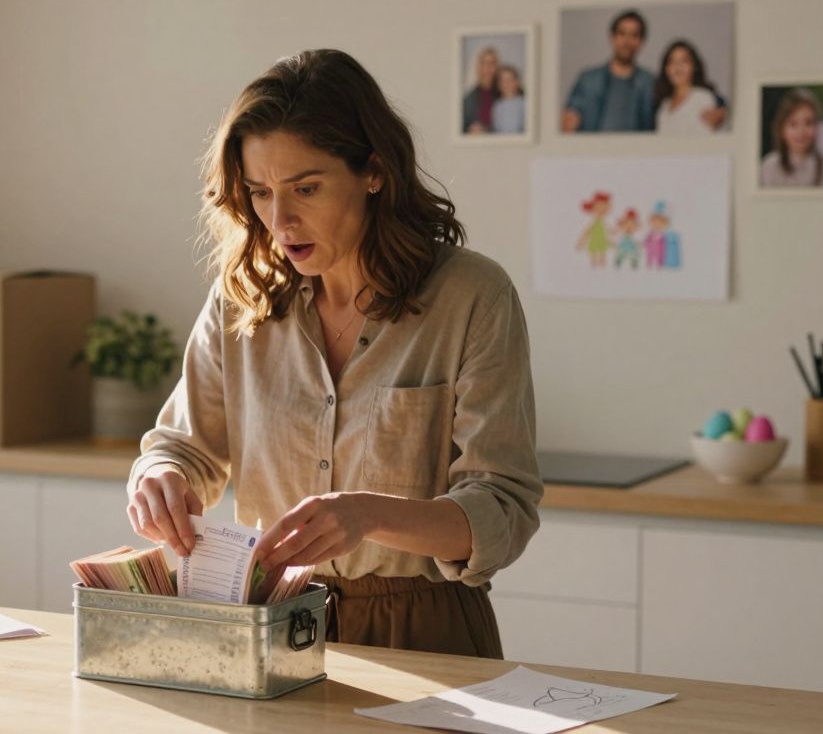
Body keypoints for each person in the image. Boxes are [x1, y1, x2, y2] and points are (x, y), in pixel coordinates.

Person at [125, 49, 541, 657]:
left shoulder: (471, 296)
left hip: (425, 633)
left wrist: (368, 514)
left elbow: (502, 509)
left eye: (306, 188)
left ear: (374, 171)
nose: (281, 219)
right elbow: (184, 447)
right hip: (271, 624)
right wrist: (159, 476)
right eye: (260, 192)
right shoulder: (243, 300)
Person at [562, 9, 727, 133]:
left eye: (634, 35)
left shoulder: (650, 82)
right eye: (622, 34)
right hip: (594, 159)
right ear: (612, 37)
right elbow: (569, 117)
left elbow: (687, 97)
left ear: (641, 42)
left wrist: (723, 109)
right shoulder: (588, 80)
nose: (627, 41)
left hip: (637, 161)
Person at [759, 88, 823, 187]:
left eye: (809, 123)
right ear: (781, 129)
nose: (801, 132)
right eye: (793, 124)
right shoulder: (768, 167)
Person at [654, 40, 722, 134]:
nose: (678, 67)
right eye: (672, 62)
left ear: (694, 67)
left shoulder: (702, 98)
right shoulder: (664, 106)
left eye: (684, 61)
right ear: (666, 69)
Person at [462, 47, 500, 134]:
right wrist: (469, 129)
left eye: (492, 63)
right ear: (478, 67)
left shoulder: (505, 94)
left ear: (497, 67)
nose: (488, 68)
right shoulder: (469, 98)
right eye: (484, 63)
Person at [491, 65, 526, 134]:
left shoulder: (523, 103)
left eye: (510, 80)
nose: (506, 83)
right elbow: (496, 128)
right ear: (499, 85)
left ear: (517, 82)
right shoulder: (497, 105)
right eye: (503, 81)